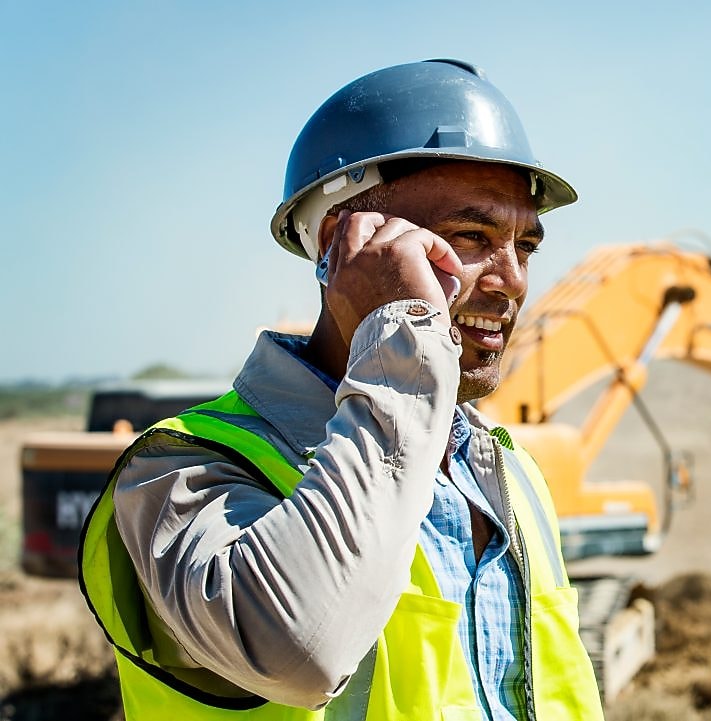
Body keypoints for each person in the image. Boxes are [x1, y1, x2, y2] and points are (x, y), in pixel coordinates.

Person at [79, 59, 605, 720]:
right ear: (341, 240)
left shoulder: (508, 471)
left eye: (524, 245)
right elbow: (302, 649)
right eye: (473, 237)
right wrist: (405, 340)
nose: (513, 280)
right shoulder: (184, 473)